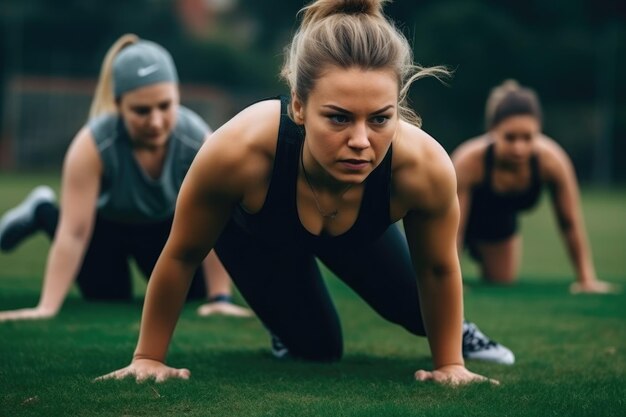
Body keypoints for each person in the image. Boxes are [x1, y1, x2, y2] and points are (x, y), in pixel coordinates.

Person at [98, 0, 514, 387]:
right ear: (299, 106)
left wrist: (450, 365)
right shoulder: (238, 151)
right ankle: (281, 323)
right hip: (259, 239)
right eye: (338, 118)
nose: (360, 141)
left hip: (355, 236)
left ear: (398, 106)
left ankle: (461, 335)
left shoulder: (424, 168)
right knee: (317, 349)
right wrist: (149, 357)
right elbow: (182, 253)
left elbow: (438, 270)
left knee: (416, 309)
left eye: (380, 119)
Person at [0, 34, 252, 321]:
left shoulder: (197, 140)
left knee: (193, 294)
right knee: (107, 295)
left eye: (165, 106)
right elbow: (75, 232)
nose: (155, 121)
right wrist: (46, 307)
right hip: (108, 226)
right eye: (141, 111)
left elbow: (212, 219)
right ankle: (43, 211)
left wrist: (219, 297)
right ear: (119, 105)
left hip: (162, 226)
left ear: (177, 96)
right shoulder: (93, 145)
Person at [452, 79, 618, 294]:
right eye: (510, 138)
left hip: (497, 223)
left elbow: (569, 222)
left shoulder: (552, 161)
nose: (519, 148)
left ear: (539, 131)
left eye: (528, 138)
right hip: (453, 219)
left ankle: (481, 250)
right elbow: (453, 226)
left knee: (502, 280)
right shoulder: (469, 161)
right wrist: (452, 281)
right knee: (436, 280)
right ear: (493, 130)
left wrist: (586, 279)